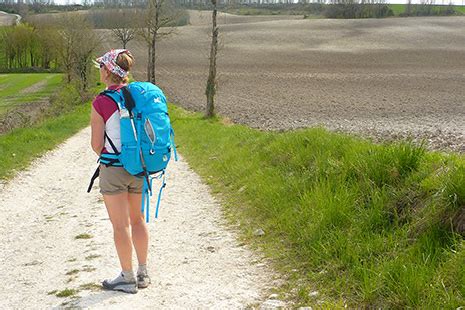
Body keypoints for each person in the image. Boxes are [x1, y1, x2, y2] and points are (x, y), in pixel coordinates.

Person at [90, 49, 150, 294]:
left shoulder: (101, 101)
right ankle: (143, 273)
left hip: (114, 168)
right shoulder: (138, 95)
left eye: (101, 67)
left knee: (120, 225)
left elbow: (96, 144)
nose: (100, 71)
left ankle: (126, 277)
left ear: (108, 71)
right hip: (140, 166)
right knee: (137, 219)